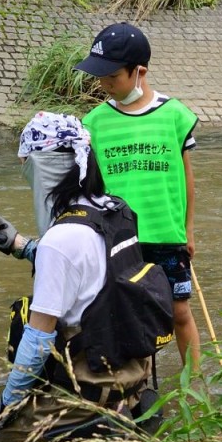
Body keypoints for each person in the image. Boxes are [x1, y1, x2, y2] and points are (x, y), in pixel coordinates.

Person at [0, 113, 174, 437]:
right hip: (132, 370)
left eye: (27, 164)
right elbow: (95, 270)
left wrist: (5, 409)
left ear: (46, 166)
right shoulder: (114, 209)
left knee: (9, 433)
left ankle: (84, 422)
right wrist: (21, 245)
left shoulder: (61, 240)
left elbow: (39, 341)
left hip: (94, 380)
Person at [76, 22, 201, 367]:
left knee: (178, 311)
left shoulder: (175, 115)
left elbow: (187, 177)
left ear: (139, 71)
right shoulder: (94, 123)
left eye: (112, 77)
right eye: (100, 77)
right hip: (119, 238)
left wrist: (188, 228)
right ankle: (136, 388)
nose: (104, 84)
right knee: (127, 313)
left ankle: (196, 385)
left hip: (166, 234)